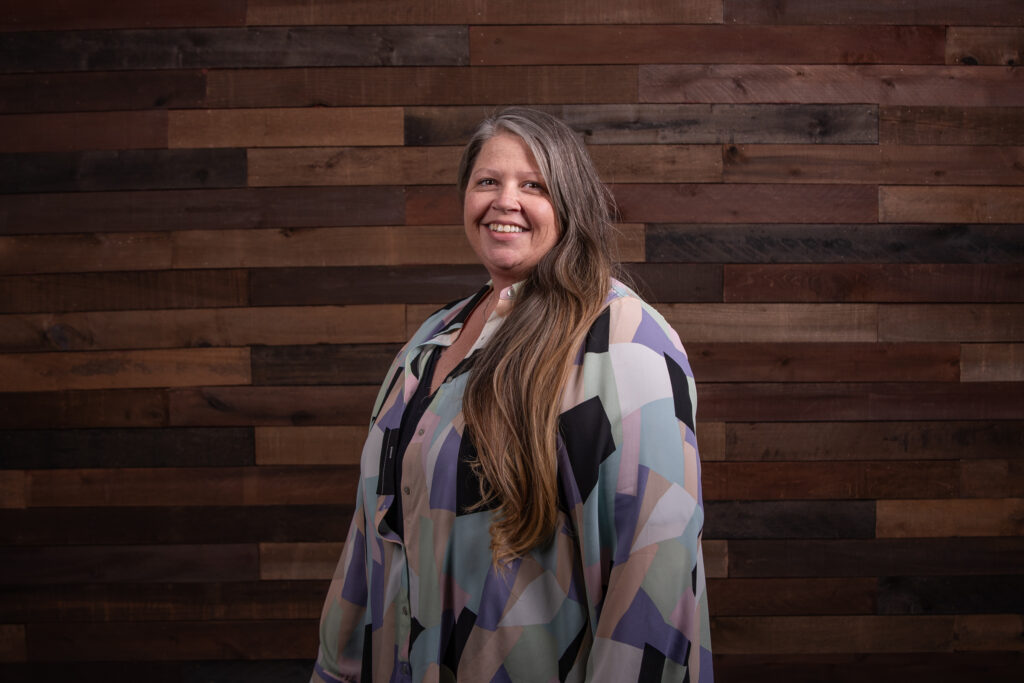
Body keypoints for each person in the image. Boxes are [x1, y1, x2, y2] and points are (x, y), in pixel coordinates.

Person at [311, 107, 712, 683]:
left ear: (570, 205)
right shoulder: (432, 340)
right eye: (487, 182)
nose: (505, 201)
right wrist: (337, 669)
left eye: (533, 185)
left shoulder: (624, 345)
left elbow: (655, 576)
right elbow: (370, 535)